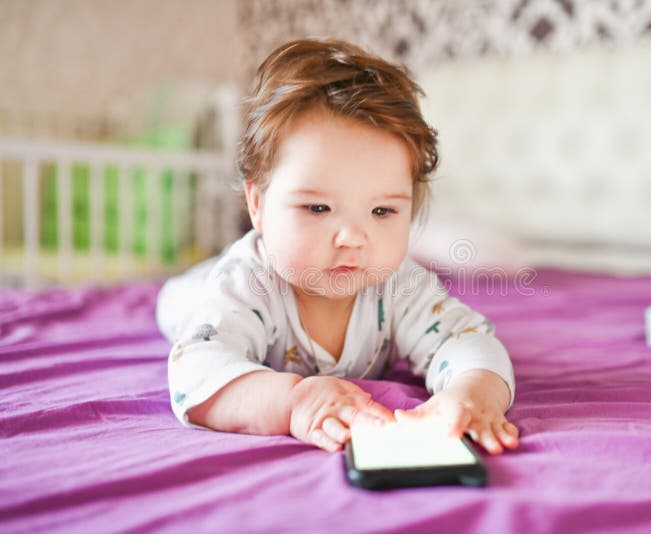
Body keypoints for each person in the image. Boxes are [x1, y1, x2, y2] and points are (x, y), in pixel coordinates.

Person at [157, 38, 519, 455]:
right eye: (318, 207)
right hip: (198, 292)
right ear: (257, 204)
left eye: (382, 212)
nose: (352, 237)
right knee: (184, 304)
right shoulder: (245, 284)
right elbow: (196, 372)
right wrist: (294, 401)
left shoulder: (399, 283)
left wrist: (471, 394)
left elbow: (470, 341)